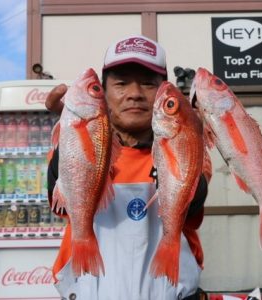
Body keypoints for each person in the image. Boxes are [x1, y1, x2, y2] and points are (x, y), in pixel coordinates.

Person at [46, 34, 208, 300]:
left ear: (162, 92)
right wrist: (73, 131)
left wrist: (190, 135)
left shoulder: (182, 149)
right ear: (105, 94)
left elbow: (193, 204)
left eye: (147, 84)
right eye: (121, 84)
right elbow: (59, 203)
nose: (134, 94)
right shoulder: (74, 152)